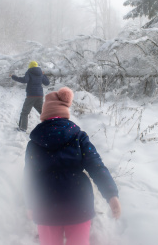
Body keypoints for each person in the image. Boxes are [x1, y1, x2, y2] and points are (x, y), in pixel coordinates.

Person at [24, 87, 121, 245]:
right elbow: (96, 166)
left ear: (44, 115)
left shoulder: (34, 143)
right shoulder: (78, 137)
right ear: (65, 113)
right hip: (78, 203)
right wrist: (111, 194)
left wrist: (30, 204)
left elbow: (29, 177)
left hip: (45, 204)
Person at [10, 61, 50, 132]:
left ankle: (22, 128)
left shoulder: (29, 72)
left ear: (30, 66)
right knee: (42, 112)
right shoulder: (41, 73)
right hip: (39, 95)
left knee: (25, 112)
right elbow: (47, 83)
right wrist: (44, 75)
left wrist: (13, 77)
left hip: (31, 95)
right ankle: (50, 126)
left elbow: (24, 80)